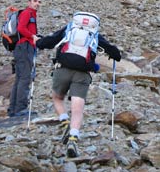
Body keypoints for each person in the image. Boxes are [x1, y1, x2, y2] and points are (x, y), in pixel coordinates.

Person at [37, 12, 121, 158]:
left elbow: (49, 42)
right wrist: (115, 55)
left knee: (57, 98)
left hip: (62, 69)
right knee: (77, 109)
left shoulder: (69, 28)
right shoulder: (94, 34)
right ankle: (73, 138)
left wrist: (38, 41)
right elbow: (114, 52)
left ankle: (64, 123)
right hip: (83, 73)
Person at [8, 0, 42, 117]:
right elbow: (21, 28)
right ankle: (20, 109)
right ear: (29, 2)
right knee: (25, 78)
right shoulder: (27, 13)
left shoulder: (31, 14)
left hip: (22, 48)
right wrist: (33, 36)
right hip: (24, 47)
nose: (37, 4)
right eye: (35, 1)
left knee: (19, 78)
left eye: (39, 2)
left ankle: (13, 109)